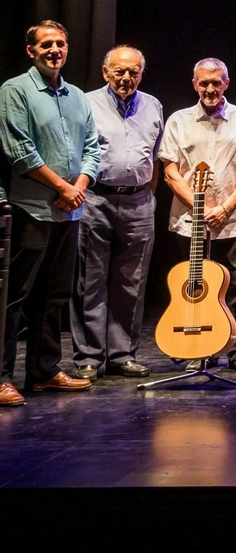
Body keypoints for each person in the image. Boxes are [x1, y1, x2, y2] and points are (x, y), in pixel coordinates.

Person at [1, 21, 100, 405]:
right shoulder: (15, 90)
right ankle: (2, 376)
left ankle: (43, 372)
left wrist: (79, 188)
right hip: (32, 208)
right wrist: (62, 187)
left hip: (69, 213)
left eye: (61, 43)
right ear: (31, 50)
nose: (55, 50)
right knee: (16, 298)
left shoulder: (77, 95)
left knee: (55, 296)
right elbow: (19, 150)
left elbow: (93, 146)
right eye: (46, 44)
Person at [157, 57, 236, 373]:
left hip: (234, 219)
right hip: (190, 221)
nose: (210, 88)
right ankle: (199, 347)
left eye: (215, 82)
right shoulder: (178, 120)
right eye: (204, 82)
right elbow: (170, 172)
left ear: (226, 84)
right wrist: (200, 207)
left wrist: (225, 208)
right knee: (195, 285)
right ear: (194, 84)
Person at [69, 46, 163, 380]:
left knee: (131, 283)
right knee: (90, 281)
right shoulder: (86, 102)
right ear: (105, 72)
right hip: (96, 199)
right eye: (119, 72)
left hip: (138, 202)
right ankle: (89, 357)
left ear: (141, 73)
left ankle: (123, 355)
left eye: (133, 72)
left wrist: (144, 196)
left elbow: (155, 159)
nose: (126, 78)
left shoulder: (153, 105)